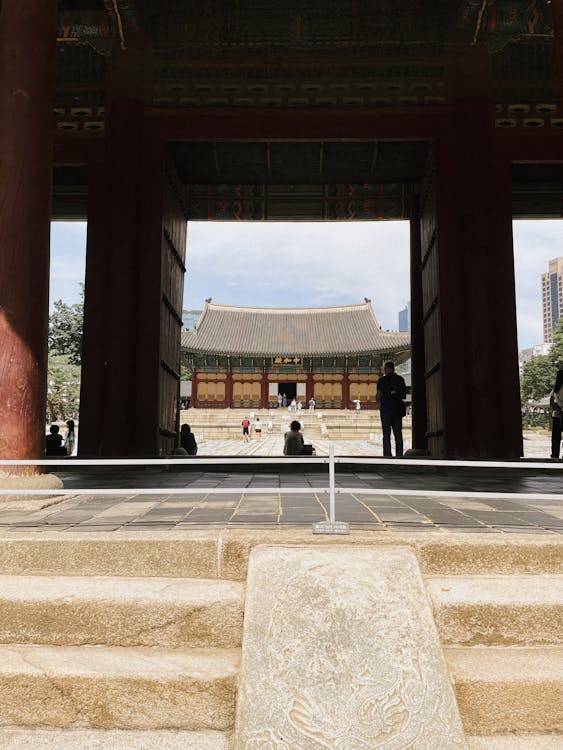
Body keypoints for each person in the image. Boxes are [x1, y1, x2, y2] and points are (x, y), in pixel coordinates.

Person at [375, 361, 407, 457]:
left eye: (385, 369)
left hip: (386, 409)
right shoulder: (400, 379)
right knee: (398, 434)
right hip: (397, 409)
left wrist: (382, 396)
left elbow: (378, 395)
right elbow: (404, 395)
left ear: (387, 368)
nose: (384, 370)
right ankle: (399, 455)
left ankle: (387, 455)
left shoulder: (382, 380)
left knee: (386, 434)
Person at [550, 369, 563, 459]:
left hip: (556, 413)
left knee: (555, 436)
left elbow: (551, 398)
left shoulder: (556, 388)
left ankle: (554, 454)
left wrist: (554, 407)